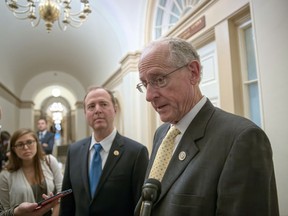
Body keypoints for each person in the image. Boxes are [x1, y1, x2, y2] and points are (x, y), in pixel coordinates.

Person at [135, 37, 279, 216]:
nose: (149, 96)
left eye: (159, 79)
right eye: (145, 83)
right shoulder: (161, 134)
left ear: (193, 73)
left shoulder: (242, 138)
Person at [60, 86, 149, 216]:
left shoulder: (136, 153)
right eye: (91, 106)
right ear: (85, 113)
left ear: (115, 109)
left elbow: (140, 205)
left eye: (103, 104)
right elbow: (67, 203)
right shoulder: (74, 151)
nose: (97, 110)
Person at [0, 106, 58, 216]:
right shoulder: (5, 175)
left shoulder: (50, 162)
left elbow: (61, 193)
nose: (26, 148)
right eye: (20, 144)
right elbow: (3, 211)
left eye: (30, 142)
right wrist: (16, 212)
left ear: (37, 143)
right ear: (13, 149)